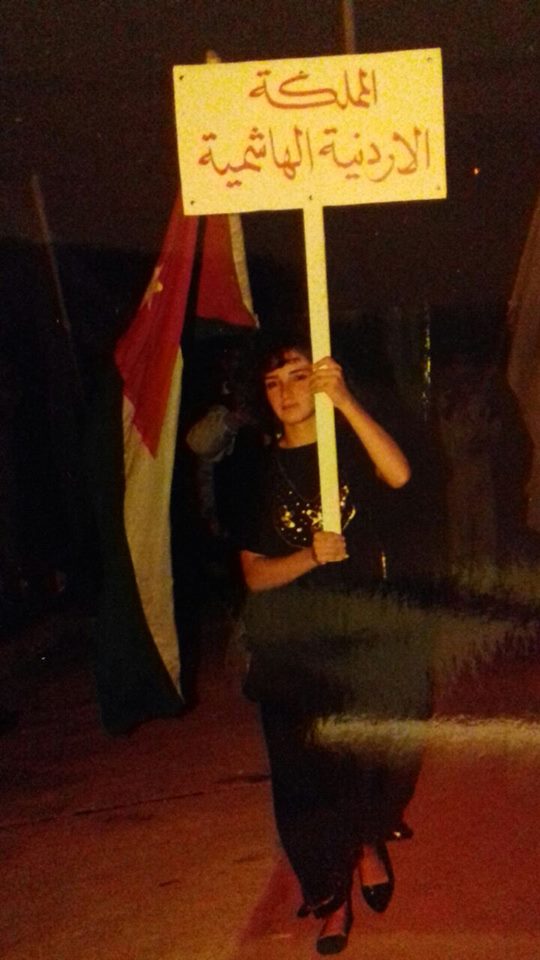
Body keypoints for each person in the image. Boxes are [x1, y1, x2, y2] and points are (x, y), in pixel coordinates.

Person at [237, 336, 429, 955]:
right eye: (274, 383)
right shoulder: (254, 470)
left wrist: (344, 401)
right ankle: (329, 895)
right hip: (292, 641)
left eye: (299, 375)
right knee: (305, 776)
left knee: (383, 748)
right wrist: (308, 556)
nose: (287, 392)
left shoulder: (348, 444)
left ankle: (368, 835)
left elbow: (399, 474)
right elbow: (253, 574)